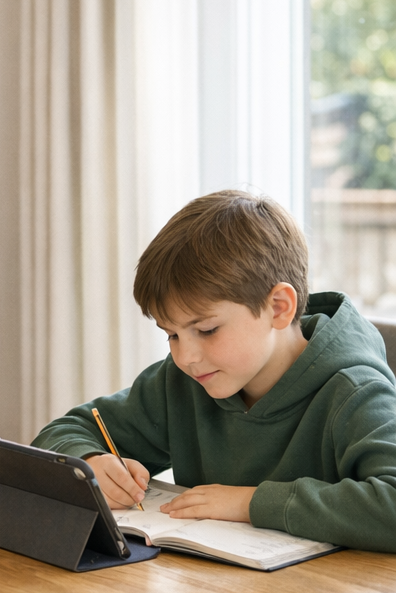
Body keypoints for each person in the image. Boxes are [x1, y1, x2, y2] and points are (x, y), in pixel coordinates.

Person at [33, 189, 396, 552]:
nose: (186, 356)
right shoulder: (185, 382)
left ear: (279, 307)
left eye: (206, 330)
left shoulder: (354, 390)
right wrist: (91, 462)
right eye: (172, 334)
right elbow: (66, 430)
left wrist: (249, 503)